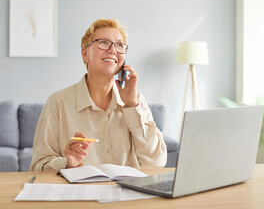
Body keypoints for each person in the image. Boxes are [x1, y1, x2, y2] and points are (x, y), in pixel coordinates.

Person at [30, 19, 167, 171]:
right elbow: (38, 166)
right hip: (81, 193)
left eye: (120, 45)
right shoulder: (58, 102)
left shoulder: (135, 101)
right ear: (85, 53)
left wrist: (132, 106)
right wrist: (67, 164)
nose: (113, 50)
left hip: (127, 192)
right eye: (103, 42)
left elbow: (156, 162)